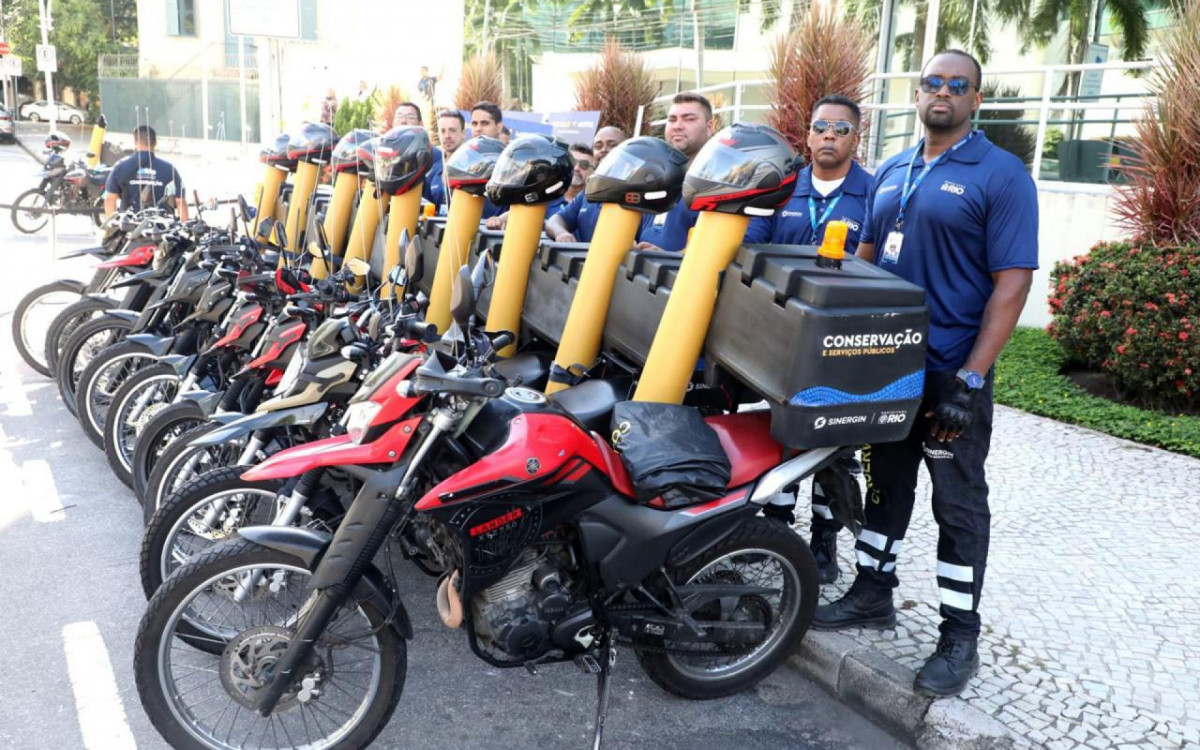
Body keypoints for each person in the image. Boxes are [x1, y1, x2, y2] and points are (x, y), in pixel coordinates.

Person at [813, 50, 1039, 699]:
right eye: (932, 82)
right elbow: (864, 259)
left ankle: (959, 634)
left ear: (976, 99)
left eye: (957, 85)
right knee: (887, 484)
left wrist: (971, 379)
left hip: (951, 375)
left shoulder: (1002, 174)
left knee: (957, 503)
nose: (943, 92)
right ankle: (872, 592)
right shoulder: (894, 168)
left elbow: (1013, 285)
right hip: (891, 369)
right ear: (917, 93)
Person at [743, 94, 875, 585]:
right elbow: (752, 243)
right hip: (783, 334)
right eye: (821, 127)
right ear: (808, 134)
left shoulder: (873, 191)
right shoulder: (785, 187)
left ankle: (824, 540)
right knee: (781, 430)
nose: (829, 136)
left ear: (856, 137)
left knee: (833, 445)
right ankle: (775, 529)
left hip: (845, 342)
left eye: (841, 129)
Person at [635, 92, 713, 252]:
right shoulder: (652, 180)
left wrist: (668, 258)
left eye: (689, 119)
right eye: (672, 119)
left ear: (709, 127)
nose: (677, 126)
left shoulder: (719, 183)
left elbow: (724, 248)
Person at [545, 125, 628, 243]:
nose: (604, 149)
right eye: (598, 146)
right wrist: (561, 232)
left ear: (627, 149)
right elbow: (556, 220)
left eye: (612, 145)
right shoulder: (589, 193)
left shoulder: (637, 191)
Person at [486, 142, 593, 231]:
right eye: (573, 162)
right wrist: (499, 219)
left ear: (594, 171)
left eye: (584, 165)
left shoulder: (592, 205)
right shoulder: (547, 194)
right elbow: (521, 211)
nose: (576, 168)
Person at [104, 125, 187, 220]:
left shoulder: (120, 166)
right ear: (155, 143)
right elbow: (180, 202)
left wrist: (114, 223)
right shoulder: (169, 169)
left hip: (130, 224)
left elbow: (110, 199)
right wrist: (183, 225)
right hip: (161, 226)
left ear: (135, 142)